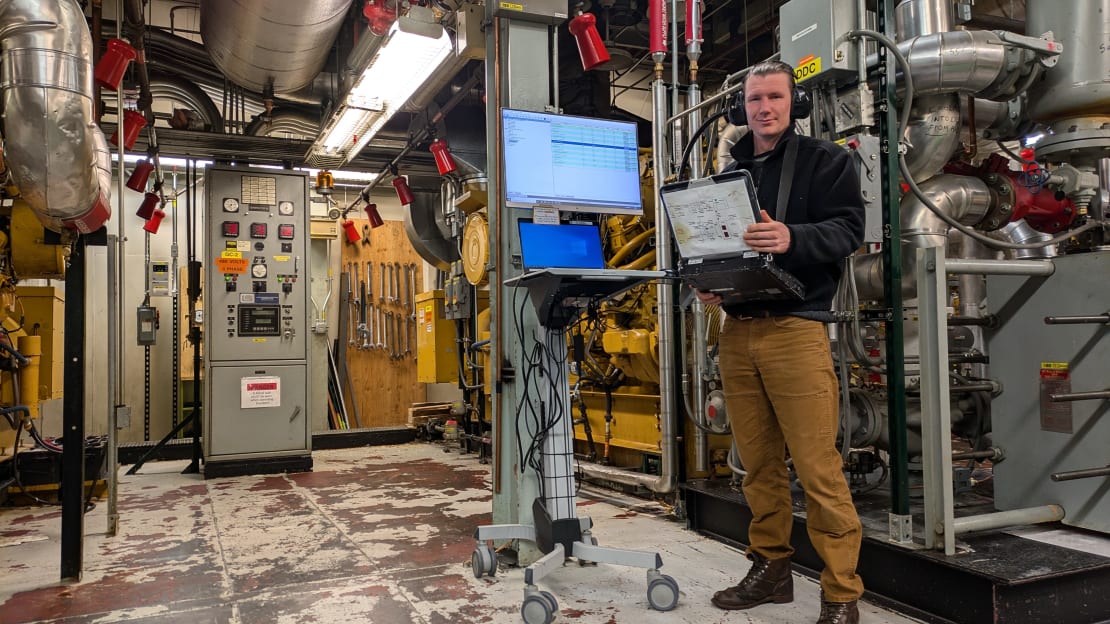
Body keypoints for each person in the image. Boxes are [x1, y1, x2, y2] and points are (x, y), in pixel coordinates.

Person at [697, 60, 866, 624]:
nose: (764, 108)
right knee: (758, 466)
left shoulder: (828, 161)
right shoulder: (731, 172)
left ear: (794, 103)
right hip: (738, 331)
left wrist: (793, 236)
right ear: (740, 108)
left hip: (796, 329)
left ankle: (842, 594)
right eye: (754, 100)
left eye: (774, 98)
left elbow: (849, 230)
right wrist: (713, 281)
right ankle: (771, 568)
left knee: (818, 468)